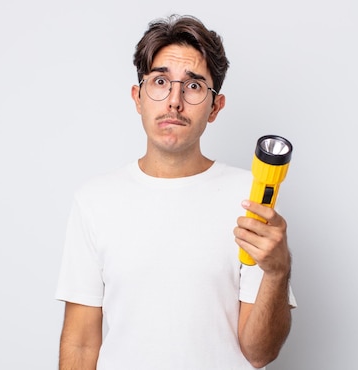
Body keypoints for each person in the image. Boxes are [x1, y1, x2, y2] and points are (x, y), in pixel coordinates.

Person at [56, 14, 296, 370]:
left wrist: (278, 272)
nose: (174, 101)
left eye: (194, 86)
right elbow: (79, 344)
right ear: (138, 97)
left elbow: (260, 353)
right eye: (160, 81)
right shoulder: (95, 200)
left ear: (215, 107)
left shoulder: (251, 196)